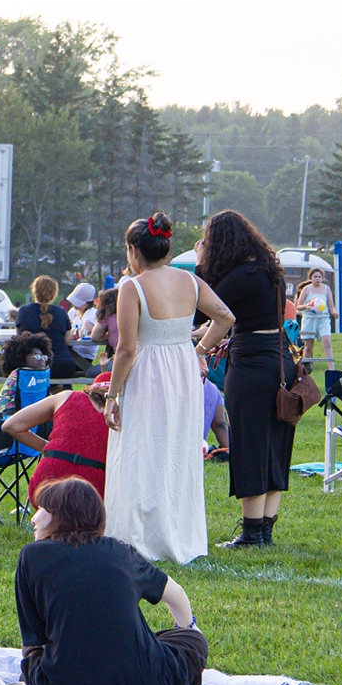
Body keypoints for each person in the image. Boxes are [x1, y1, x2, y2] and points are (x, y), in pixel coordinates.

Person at [103, 213, 234, 564]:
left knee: (140, 450)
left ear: (133, 250)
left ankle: (139, 535)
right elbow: (225, 317)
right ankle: (177, 532)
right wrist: (199, 350)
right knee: (177, 449)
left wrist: (112, 395)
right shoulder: (190, 282)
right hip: (183, 371)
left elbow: (126, 349)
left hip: (148, 374)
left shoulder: (132, 286)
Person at [14, 476, 207, 685]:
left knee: (35, 653)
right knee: (193, 641)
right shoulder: (121, 552)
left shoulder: (31, 556)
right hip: (145, 683)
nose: (34, 519)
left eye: (42, 510)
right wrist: (188, 628)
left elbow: (33, 639)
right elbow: (176, 595)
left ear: (56, 516)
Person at [195, 209, 293, 549]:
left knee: (250, 446)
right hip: (280, 358)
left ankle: (252, 534)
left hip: (251, 362)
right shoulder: (270, 271)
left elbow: (199, 308)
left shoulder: (240, 276)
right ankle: (264, 529)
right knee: (275, 446)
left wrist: (199, 266)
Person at [3, 374, 111, 506]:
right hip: (94, 488)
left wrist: (51, 448)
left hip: (48, 478)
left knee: (50, 521)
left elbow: (11, 425)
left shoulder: (65, 397)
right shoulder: (122, 414)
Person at [18, 276, 78, 379]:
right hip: (61, 364)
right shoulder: (61, 312)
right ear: (54, 294)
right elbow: (67, 340)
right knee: (59, 387)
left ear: (34, 291)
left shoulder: (24, 311)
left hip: (33, 364)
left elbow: (20, 337)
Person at [294, 268, 334, 367]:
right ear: (311, 278)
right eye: (315, 277)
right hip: (309, 320)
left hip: (323, 319)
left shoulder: (326, 289)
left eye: (319, 277)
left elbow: (331, 306)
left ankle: (332, 369)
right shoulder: (306, 289)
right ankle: (305, 371)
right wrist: (306, 306)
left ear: (322, 278)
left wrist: (334, 313)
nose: (317, 279)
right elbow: (298, 306)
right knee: (308, 347)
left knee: (327, 344)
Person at [69, 282, 99, 372]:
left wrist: (76, 333)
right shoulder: (73, 311)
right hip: (70, 352)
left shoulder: (92, 313)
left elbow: (85, 332)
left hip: (82, 356)